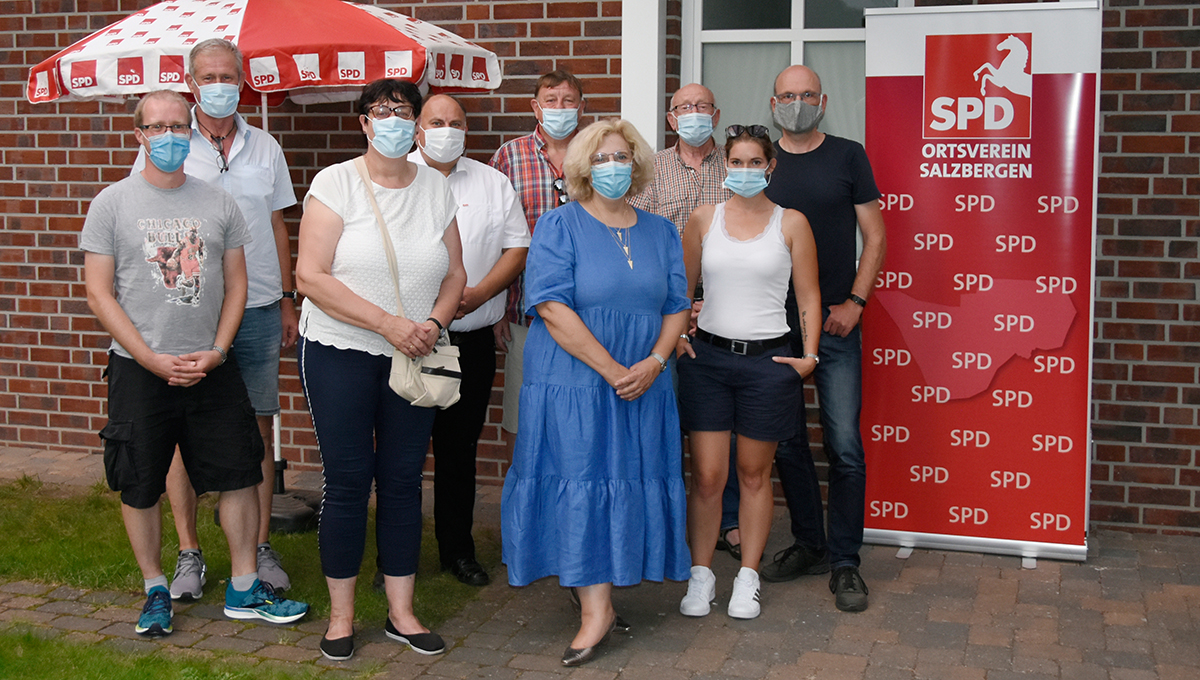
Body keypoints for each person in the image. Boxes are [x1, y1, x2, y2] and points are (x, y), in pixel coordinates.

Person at [82, 90, 308, 638]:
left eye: (178, 127)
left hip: (212, 365)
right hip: (140, 368)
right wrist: (148, 358)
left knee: (238, 473)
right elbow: (98, 293)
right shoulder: (111, 203)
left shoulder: (218, 204)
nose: (168, 137)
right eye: (156, 127)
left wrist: (219, 349)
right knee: (139, 483)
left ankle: (244, 587)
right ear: (138, 135)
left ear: (192, 134)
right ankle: (156, 589)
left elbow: (237, 284)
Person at [500, 119, 691, 667]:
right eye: (603, 158)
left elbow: (677, 303)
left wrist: (654, 362)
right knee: (583, 477)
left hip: (645, 379)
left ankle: (602, 592)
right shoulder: (559, 225)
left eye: (623, 156)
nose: (614, 166)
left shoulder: (661, 231)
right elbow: (552, 306)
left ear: (637, 164)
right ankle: (595, 610)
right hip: (575, 379)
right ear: (584, 167)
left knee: (624, 477)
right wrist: (613, 370)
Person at [295, 79, 467, 661]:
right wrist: (387, 323)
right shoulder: (334, 183)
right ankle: (341, 618)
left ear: (417, 125)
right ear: (363, 123)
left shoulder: (436, 189)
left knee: (401, 482)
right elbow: (311, 276)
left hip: (416, 353)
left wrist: (434, 324)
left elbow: (455, 274)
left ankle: (401, 611)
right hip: (341, 351)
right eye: (381, 112)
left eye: (404, 112)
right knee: (347, 484)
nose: (393, 121)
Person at [132, 38, 299, 599]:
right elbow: (145, 218)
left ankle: (256, 546)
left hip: (254, 308)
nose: (220, 84)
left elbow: (277, 225)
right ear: (192, 80)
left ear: (243, 78)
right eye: (210, 75)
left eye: (229, 74)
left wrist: (287, 297)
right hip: (189, 308)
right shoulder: (167, 141)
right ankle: (188, 551)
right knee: (180, 433)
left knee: (256, 425)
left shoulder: (266, 147)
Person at [675, 124, 821, 620]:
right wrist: (676, 335)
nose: (742, 171)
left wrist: (810, 356)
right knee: (709, 476)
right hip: (709, 361)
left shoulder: (792, 223)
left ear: (770, 167)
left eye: (753, 162)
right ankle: (701, 577)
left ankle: (747, 579)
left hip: (768, 364)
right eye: (734, 163)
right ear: (725, 168)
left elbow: (808, 296)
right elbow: (681, 286)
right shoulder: (702, 219)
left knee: (755, 475)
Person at [759, 65, 887, 614]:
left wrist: (855, 304)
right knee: (786, 442)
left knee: (845, 447)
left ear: (824, 99)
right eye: (787, 95)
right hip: (772, 328)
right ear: (773, 102)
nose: (797, 102)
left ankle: (845, 561)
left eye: (807, 94)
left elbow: (875, 235)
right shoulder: (759, 163)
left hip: (835, 325)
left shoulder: (848, 155)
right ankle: (809, 543)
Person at [410, 94, 530, 587]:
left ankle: (457, 552)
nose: (446, 129)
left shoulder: (492, 182)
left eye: (455, 122)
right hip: (410, 341)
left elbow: (517, 245)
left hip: (472, 339)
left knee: (460, 453)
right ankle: (396, 557)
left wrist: (478, 292)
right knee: (403, 453)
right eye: (436, 121)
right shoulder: (395, 177)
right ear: (418, 130)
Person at [628, 83, 744, 561]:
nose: (693, 114)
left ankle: (730, 521)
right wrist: (676, 311)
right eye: (683, 108)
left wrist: (705, 305)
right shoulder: (650, 170)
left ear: (715, 114)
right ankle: (671, 520)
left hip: (727, 313)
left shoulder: (738, 166)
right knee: (665, 422)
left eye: (701, 107)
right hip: (665, 315)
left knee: (725, 424)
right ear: (671, 119)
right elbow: (635, 241)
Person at [489, 70, 586, 436]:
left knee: (578, 422)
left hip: (589, 315)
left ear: (581, 107)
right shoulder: (508, 158)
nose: (560, 108)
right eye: (551, 100)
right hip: (524, 316)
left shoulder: (600, 155)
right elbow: (492, 239)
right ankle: (523, 495)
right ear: (536, 106)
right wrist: (498, 309)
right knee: (523, 420)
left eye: (568, 100)